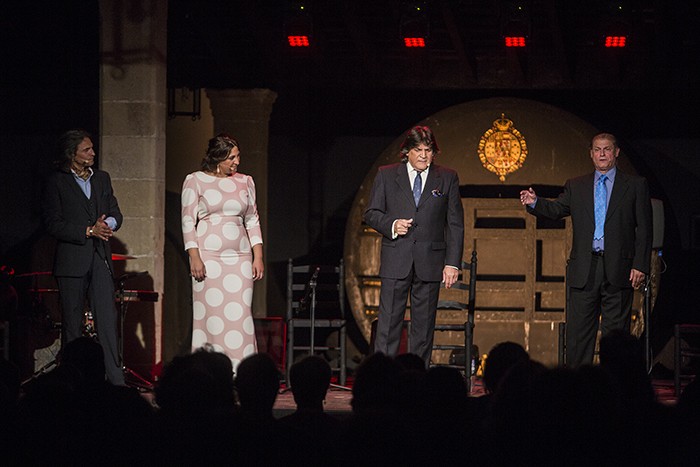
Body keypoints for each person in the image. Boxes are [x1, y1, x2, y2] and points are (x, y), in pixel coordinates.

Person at [520, 132, 652, 368]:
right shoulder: (576, 185)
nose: (602, 154)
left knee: (615, 340)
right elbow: (557, 209)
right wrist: (535, 202)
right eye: (597, 150)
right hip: (584, 269)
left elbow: (644, 228)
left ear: (617, 152)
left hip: (619, 269)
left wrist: (640, 264)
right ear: (591, 154)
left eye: (607, 149)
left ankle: (614, 391)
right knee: (579, 337)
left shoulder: (635, 185)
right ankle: (578, 392)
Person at [364, 126, 464, 366]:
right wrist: (392, 224)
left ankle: (417, 382)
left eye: (428, 150)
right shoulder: (387, 175)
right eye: (418, 150)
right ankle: (383, 380)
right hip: (397, 259)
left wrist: (452, 263)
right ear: (407, 151)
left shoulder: (447, 177)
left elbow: (455, 223)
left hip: (430, 262)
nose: (423, 155)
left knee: (423, 329)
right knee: (388, 327)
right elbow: (371, 213)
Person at [44, 129, 124, 385]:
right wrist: (87, 231)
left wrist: (107, 224)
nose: (93, 153)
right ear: (72, 154)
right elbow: (53, 224)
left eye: (92, 148)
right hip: (71, 262)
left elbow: (115, 213)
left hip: (99, 259)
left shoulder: (101, 178)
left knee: (107, 322)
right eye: (86, 150)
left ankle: (115, 381)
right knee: (72, 326)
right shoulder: (56, 182)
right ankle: (71, 383)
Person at [181, 133, 263, 370]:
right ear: (217, 158)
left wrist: (258, 256)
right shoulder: (195, 181)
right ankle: (207, 371)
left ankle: (242, 371)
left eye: (238, 156)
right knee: (212, 318)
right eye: (231, 158)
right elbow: (188, 221)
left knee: (240, 317)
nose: (236, 162)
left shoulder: (245, 181)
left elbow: (252, 220)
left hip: (240, 259)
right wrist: (194, 256)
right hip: (209, 258)